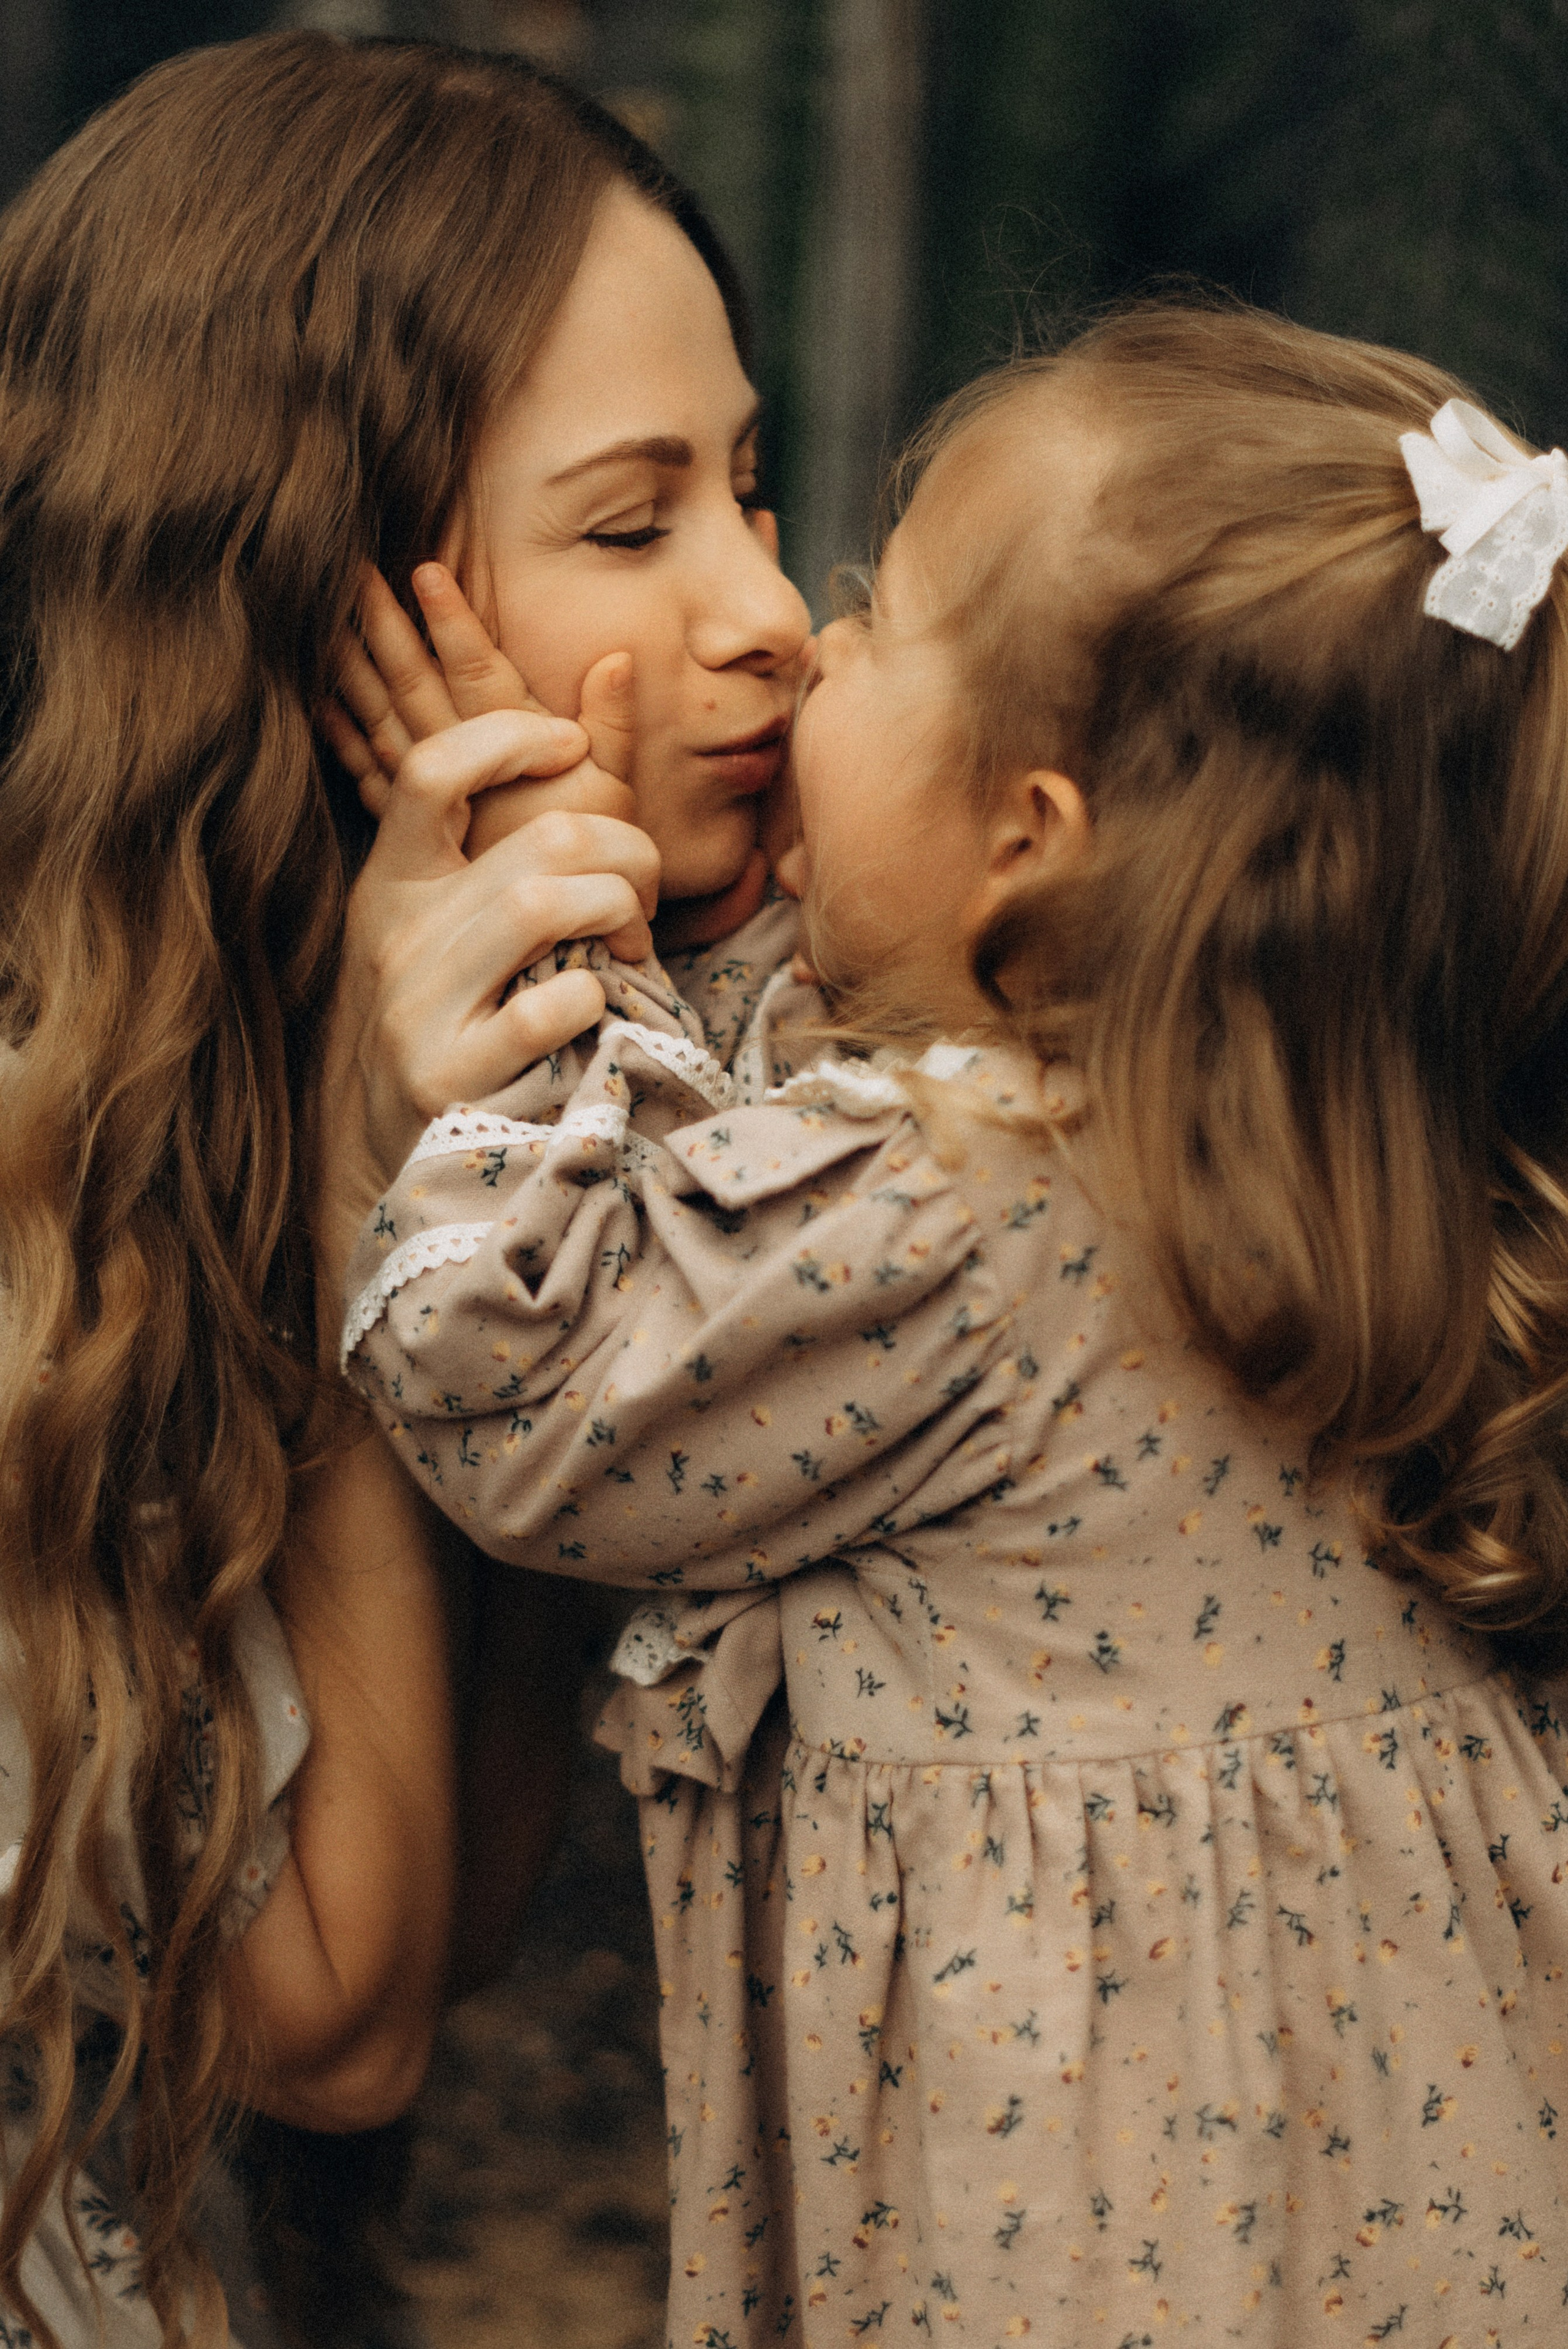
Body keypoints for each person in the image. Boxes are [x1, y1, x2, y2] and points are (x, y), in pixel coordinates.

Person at [341, 305, 1568, 2345]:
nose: (809, 646)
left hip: (1096, 2236)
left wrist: (520, 968)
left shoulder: (961, 1210)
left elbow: (534, 1380)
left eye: (881, 621)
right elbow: (778, 1135)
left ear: (1032, 839)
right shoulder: (1317, 1155)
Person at [0, 28, 806, 2348]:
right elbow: (342, 2013)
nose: (772, 610)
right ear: (307, 611)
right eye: (635, 520)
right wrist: (379, 1204)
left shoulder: (260, 1083)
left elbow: (444, 1904)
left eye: (754, 485)